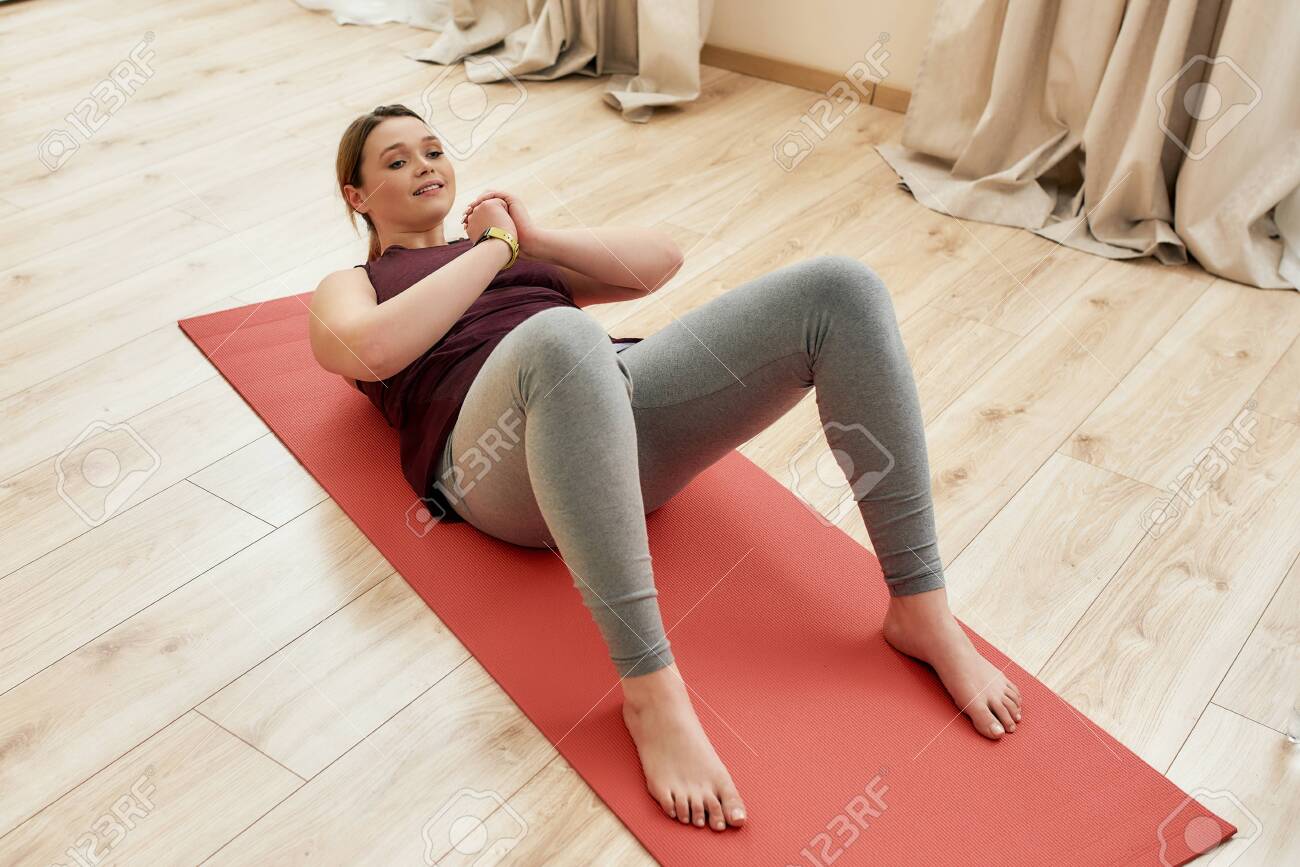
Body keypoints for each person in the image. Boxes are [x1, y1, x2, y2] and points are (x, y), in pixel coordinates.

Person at [309, 105, 1023, 834]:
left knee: (841, 288)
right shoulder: (359, 281)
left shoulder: (516, 251)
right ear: (356, 196)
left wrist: (534, 239)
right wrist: (495, 249)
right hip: (498, 463)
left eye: (433, 150)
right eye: (396, 160)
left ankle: (920, 608)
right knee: (560, 337)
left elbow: (659, 261)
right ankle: (651, 691)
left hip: (616, 414)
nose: (424, 165)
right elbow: (367, 349)